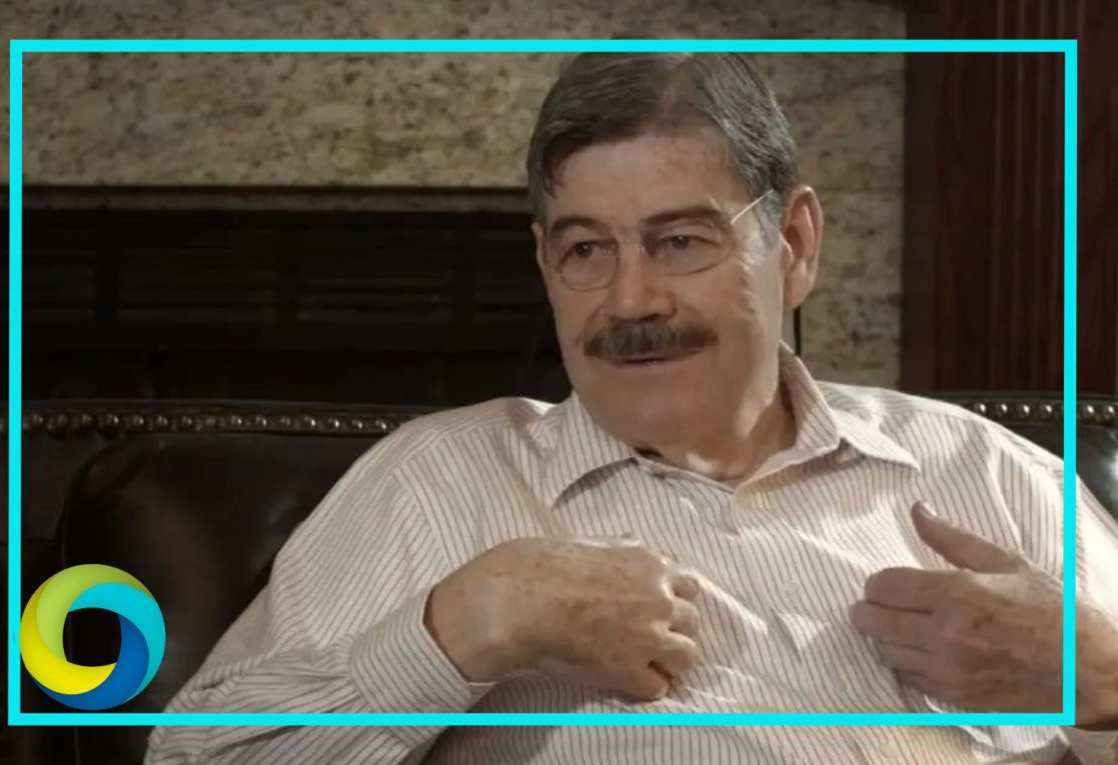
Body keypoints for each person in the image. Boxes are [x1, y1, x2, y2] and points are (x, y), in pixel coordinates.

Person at [144, 51, 1118, 765]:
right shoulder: (436, 482)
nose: (630, 300)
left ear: (794, 244)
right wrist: (470, 627)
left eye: (681, 240)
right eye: (586, 251)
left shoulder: (991, 475)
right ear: (544, 266)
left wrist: (1103, 679)